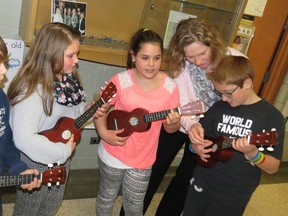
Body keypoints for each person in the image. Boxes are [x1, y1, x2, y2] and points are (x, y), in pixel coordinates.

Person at [129, 18, 245, 216]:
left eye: (202, 53)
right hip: (181, 121)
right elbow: (179, 106)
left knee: (186, 177)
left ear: (213, 44)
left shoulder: (235, 60)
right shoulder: (181, 66)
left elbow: (239, 101)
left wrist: (202, 130)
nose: (198, 62)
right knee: (153, 169)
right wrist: (191, 125)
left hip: (211, 129)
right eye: (191, 57)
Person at [7, 23, 106, 216]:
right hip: (34, 161)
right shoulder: (31, 89)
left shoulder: (66, 79)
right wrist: (63, 151)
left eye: (77, 54)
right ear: (50, 54)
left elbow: (71, 113)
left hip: (61, 154)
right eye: (71, 55)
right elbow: (24, 139)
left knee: (50, 206)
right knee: (28, 210)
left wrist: (86, 109)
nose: (76, 60)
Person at [94, 28, 181, 216]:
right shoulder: (120, 81)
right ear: (133, 56)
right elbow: (99, 109)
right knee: (106, 197)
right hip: (113, 152)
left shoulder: (170, 87)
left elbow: (170, 128)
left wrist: (174, 122)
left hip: (143, 158)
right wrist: (103, 133)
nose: (152, 64)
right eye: (145, 58)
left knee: (134, 206)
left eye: (157, 58)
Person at [184, 55, 285, 216]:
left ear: (247, 83)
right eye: (220, 92)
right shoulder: (219, 107)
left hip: (234, 193)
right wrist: (195, 146)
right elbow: (198, 140)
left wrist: (253, 154)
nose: (223, 98)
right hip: (202, 180)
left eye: (228, 93)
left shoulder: (271, 117)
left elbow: (273, 168)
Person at [0, 36, 41, 216]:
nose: (4, 71)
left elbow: (6, 142)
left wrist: (19, 168)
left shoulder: (1, 98)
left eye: (5, 62)